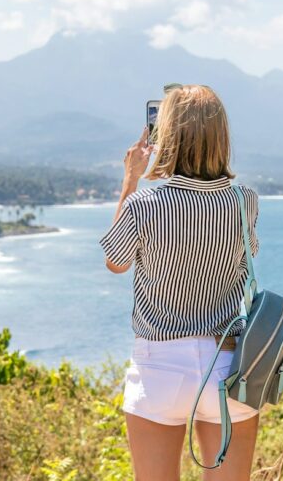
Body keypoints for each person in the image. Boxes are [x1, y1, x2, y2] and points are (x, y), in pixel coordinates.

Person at [99, 84, 261, 481]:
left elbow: (116, 262)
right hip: (227, 363)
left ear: (167, 136)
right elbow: (246, 257)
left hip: (159, 365)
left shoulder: (145, 204)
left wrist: (130, 181)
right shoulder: (244, 201)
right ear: (220, 136)